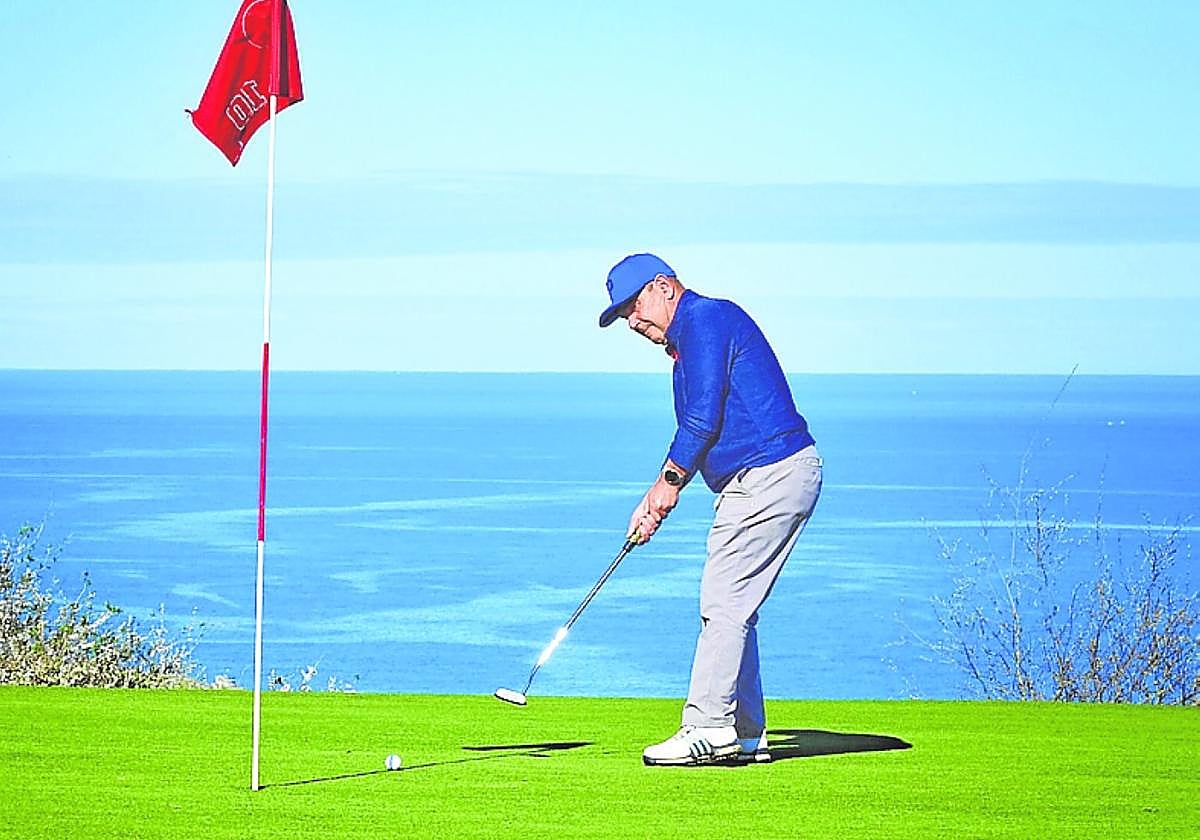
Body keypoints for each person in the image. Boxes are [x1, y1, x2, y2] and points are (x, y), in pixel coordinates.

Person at [598, 253, 823, 766]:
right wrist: (659, 493)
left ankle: (707, 725)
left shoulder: (704, 320)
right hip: (769, 476)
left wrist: (667, 485)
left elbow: (701, 419)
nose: (633, 321)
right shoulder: (693, 335)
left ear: (663, 287)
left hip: (768, 474)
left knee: (722, 602)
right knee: (735, 604)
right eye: (624, 315)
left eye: (634, 306)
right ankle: (745, 731)